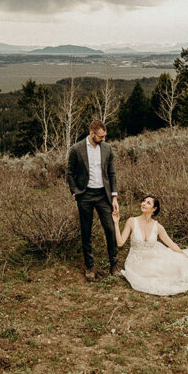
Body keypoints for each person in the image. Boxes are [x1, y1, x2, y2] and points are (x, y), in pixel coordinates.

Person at [67, 119, 119, 281]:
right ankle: (90, 267)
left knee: (110, 229)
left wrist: (114, 196)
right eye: (101, 136)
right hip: (85, 195)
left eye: (105, 136)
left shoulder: (108, 148)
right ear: (92, 133)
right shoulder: (76, 149)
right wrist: (76, 192)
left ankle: (114, 264)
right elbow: (69, 172)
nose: (104, 139)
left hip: (104, 195)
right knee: (86, 231)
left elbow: (111, 173)